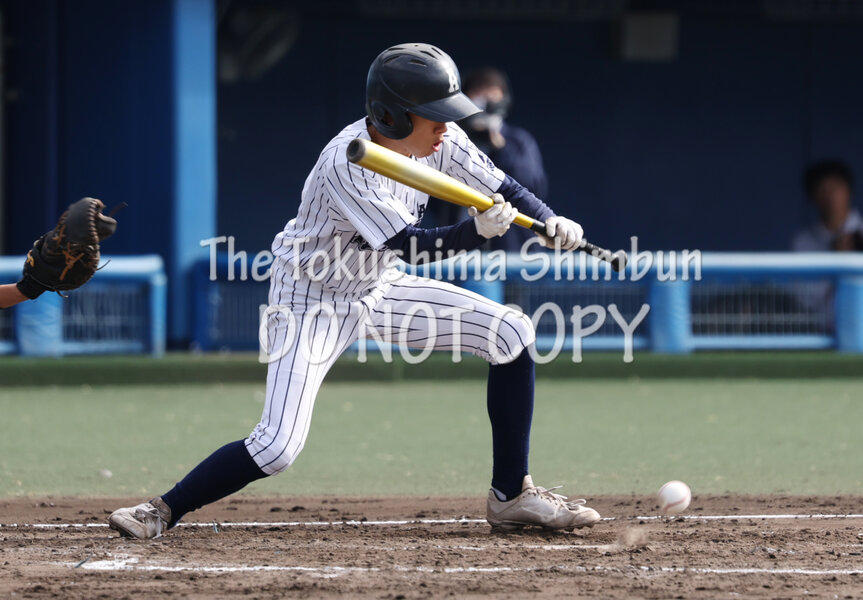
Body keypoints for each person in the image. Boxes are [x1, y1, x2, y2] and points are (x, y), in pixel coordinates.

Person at [107, 43, 598, 539]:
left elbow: (503, 185)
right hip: (310, 298)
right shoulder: (347, 161)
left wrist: (549, 219)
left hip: (378, 286)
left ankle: (511, 496)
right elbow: (410, 246)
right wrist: (477, 232)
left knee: (511, 332)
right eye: (434, 115)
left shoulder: (442, 140)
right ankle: (161, 510)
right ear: (392, 116)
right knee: (276, 447)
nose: (447, 126)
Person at [792, 159, 863, 329]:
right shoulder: (804, 242)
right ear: (812, 197)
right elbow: (806, 300)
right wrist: (834, 262)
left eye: (836, 187)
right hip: (829, 327)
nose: (831, 196)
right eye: (823, 189)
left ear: (848, 190)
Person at [456, 67, 549, 253]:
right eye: (479, 93)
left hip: (514, 250)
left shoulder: (518, 141)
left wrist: (498, 144)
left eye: (492, 94)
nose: (486, 102)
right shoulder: (456, 140)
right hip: (462, 249)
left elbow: (533, 186)